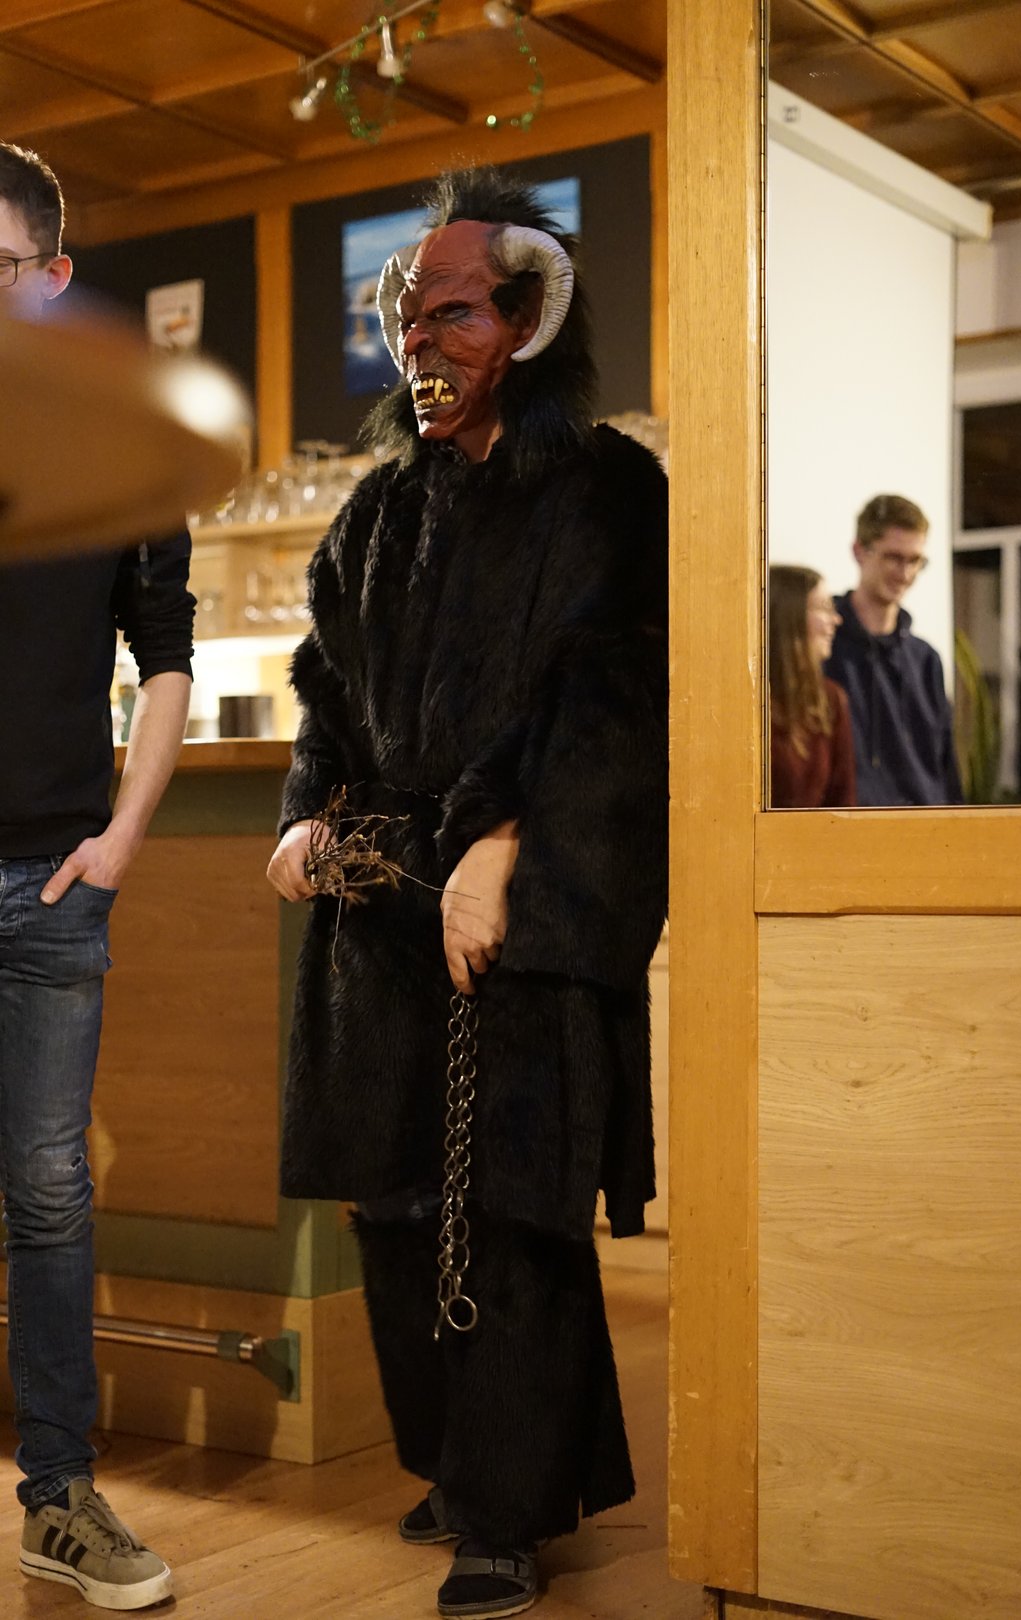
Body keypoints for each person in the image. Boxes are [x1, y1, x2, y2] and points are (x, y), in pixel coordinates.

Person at [266, 167, 667, 1619]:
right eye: (407, 318)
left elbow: (614, 695)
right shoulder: (375, 513)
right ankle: (463, 1466)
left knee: (509, 1208)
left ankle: (507, 1511)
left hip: (535, 904)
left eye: (451, 316)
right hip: (379, 918)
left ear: (528, 320)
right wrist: (304, 818)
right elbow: (327, 693)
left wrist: (499, 844)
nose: (418, 344)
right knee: (393, 1206)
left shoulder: (609, 488)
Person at [0, 142, 193, 1608]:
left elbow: (166, 655)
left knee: (50, 1193)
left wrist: (123, 836)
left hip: (54, 882)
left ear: (54, 278)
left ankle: (57, 1498)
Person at [825, 493, 963, 805]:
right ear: (859, 551)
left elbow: (945, 767)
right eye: (893, 557)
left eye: (915, 561)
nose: (905, 574)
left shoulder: (926, 660)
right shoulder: (824, 647)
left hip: (926, 827)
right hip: (851, 828)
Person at [769, 565, 855, 807]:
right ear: (788, 615)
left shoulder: (830, 698)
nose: (836, 620)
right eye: (824, 608)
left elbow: (843, 803)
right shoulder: (745, 698)